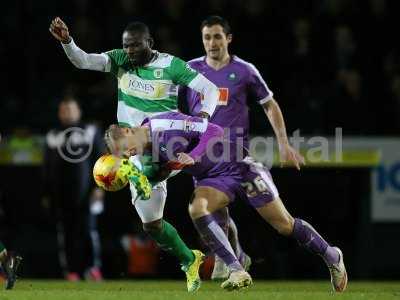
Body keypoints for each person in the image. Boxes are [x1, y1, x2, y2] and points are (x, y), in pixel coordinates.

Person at [49, 17, 220, 292]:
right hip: (133, 148)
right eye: (126, 46)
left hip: (167, 138)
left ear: (150, 43)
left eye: (135, 46)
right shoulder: (120, 60)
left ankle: (139, 173)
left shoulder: (170, 65)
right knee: (151, 225)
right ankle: (190, 259)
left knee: (153, 166)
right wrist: (68, 42)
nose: (129, 52)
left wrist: (203, 116)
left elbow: (209, 89)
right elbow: (83, 60)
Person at [104, 111, 348, 292]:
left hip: (240, 166)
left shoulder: (163, 124)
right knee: (197, 208)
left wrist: (194, 155)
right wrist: (145, 183)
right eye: (122, 155)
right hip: (211, 179)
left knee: (284, 225)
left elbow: (214, 130)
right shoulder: (146, 153)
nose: (128, 155)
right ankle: (237, 269)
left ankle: (331, 255)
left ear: (127, 131)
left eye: (124, 148)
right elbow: (165, 170)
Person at [43, 96, 105, 281]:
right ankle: (71, 271)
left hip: (87, 192)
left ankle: (93, 268)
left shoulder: (91, 130)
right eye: (63, 110)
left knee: (89, 231)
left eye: (70, 109)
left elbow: (102, 160)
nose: (67, 113)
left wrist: (99, 187)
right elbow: (46, 166)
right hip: (61, 194)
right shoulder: (52, 135)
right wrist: (46, 192)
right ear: (58, 113)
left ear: (79, 111)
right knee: (66, 234)